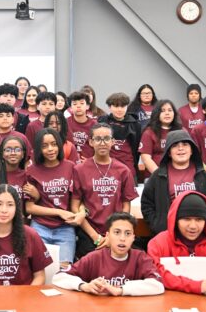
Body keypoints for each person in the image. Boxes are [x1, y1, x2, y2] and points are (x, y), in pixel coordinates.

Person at [71, 123, 138, 259]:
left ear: (113, 142)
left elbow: (126, 205)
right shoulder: (80, 169)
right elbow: (75, 206)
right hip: (89, 231)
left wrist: (116, 233)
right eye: (98, 139)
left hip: (116, 231)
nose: (102, 143)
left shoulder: (123, 170)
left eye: (107, 138)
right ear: (91, 142)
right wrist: (95, 237)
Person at [24, 128, 78, 268]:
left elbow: (78, 199)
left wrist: (79, 213)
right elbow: (29, 207)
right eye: (44, 146)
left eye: (54, 144)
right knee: (42, 269)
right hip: (40, 227)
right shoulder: (32, 171)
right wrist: (59, 211)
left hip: (65, 227)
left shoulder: (71, 167)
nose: (50, 149)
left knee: (63, 270)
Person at [141, 130, 206, 236]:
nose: (181, 148)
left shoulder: (201, 175)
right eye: (175, 145)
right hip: (167, 233)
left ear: (192, 150)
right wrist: (158, 225)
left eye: (185, 144)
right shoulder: (158, 176)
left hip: (196, 231)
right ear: (168, 152)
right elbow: (147, 204)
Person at [98, 92, 143, 178]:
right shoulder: (101, 122)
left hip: (128, 166)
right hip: (106, 165)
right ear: (110, 107)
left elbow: (137, 148)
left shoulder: (135, 125)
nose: (119, 109)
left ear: (127, 107)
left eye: (122, 106)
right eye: (116, 106)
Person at [138, 99, 182, 175]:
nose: (167, 113)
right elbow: (146, 158)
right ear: (157, 114)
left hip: (178, 174)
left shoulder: (181, 131)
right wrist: (160, 176)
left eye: (170, 110)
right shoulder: (148, 133)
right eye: (163, 111)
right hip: (156, 176)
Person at [66, 91, 97, 161]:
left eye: (82, 103)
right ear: (70, 108)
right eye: (74, 104)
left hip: (89, 162)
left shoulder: (95, 125)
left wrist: (92, 160)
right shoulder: (64, 123)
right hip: (70, 162)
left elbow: (99, 146)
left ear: (87, 106)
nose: (78, 106)